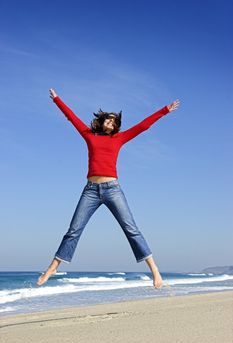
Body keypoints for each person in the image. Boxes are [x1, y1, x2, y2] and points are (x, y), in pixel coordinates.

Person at [37, 88, 180, 288]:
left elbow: (143, 126)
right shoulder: (89, 135)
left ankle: (155, 271)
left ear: (116, 126)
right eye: (108, 120)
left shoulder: (119, 139)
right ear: (102, 121)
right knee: (73, 230)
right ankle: (52, 268)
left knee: (131, 229)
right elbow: (72, 117)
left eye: (114, 122)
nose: (110, 123)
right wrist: (57, 100)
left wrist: (164, 110)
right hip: (90, 191)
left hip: (113, 189)